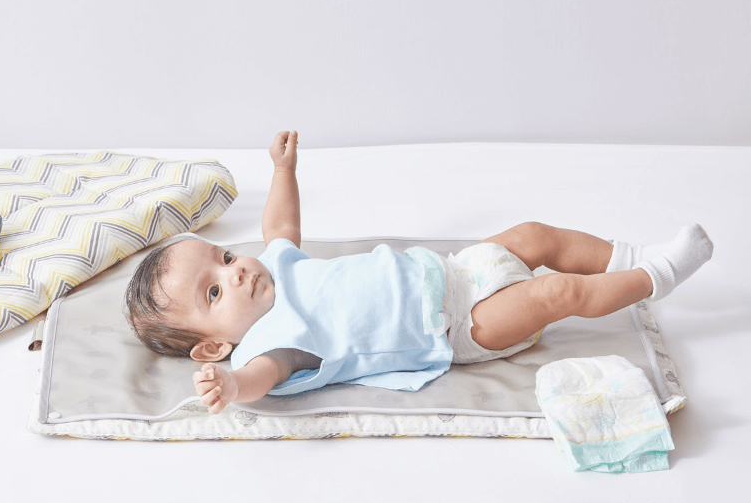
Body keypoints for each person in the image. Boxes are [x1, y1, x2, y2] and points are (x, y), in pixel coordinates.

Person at [123, 131, 714, 413]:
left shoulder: (276, 267)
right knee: (552, 292)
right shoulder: (270, 342)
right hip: (460, 327)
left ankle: (628, 256)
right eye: (213, 291)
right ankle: (657, 276)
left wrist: (282, 172)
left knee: (535, 235)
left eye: (225, 258)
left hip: (455, 270)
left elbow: (279, 227)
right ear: (213, 346)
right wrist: (232, 387)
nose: (235, 272)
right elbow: (261, 378)